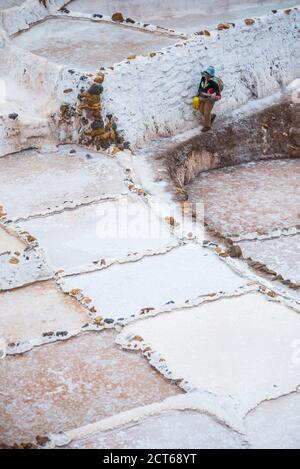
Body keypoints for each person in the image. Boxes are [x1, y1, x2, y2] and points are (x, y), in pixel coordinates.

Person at [197, 66, 221, 132]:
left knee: (206, 112)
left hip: (210, 98)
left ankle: (207, 126)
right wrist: (199, 93)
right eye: (206, 73)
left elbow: (217, 90)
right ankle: (212, 116)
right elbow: (200, 86)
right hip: (203, 96)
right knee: (201, 110)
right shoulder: (203, 78)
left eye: (208, 74)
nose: (206, 75)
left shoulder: (213, 81)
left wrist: (213, 94)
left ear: (210, 75)